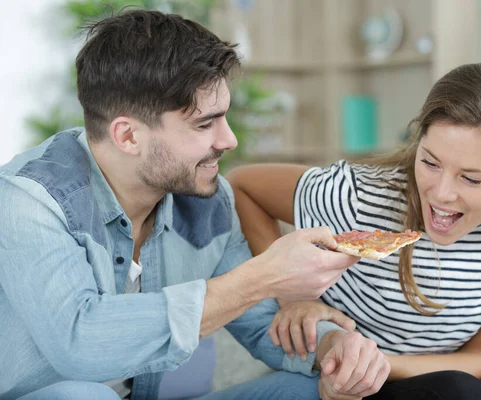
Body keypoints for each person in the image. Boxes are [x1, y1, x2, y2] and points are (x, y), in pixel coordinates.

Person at [0, 9, 392, 400]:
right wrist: (262, 276)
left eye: (224, 118)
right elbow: (80, 346)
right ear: (128, 136)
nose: (229, 140)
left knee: (311, 391)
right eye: (205, 124)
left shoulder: (209, 201)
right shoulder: (33, 201)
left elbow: (261, 326)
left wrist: (333, 348)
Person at [227, 62, 481, 400]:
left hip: (435, 374)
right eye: (430, 162)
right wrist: (294, 296)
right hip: (359, 387)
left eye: (471, 178)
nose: (441, 193)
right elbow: (242, 185)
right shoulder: (357, 195)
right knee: (458, 393)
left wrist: (379, 363)